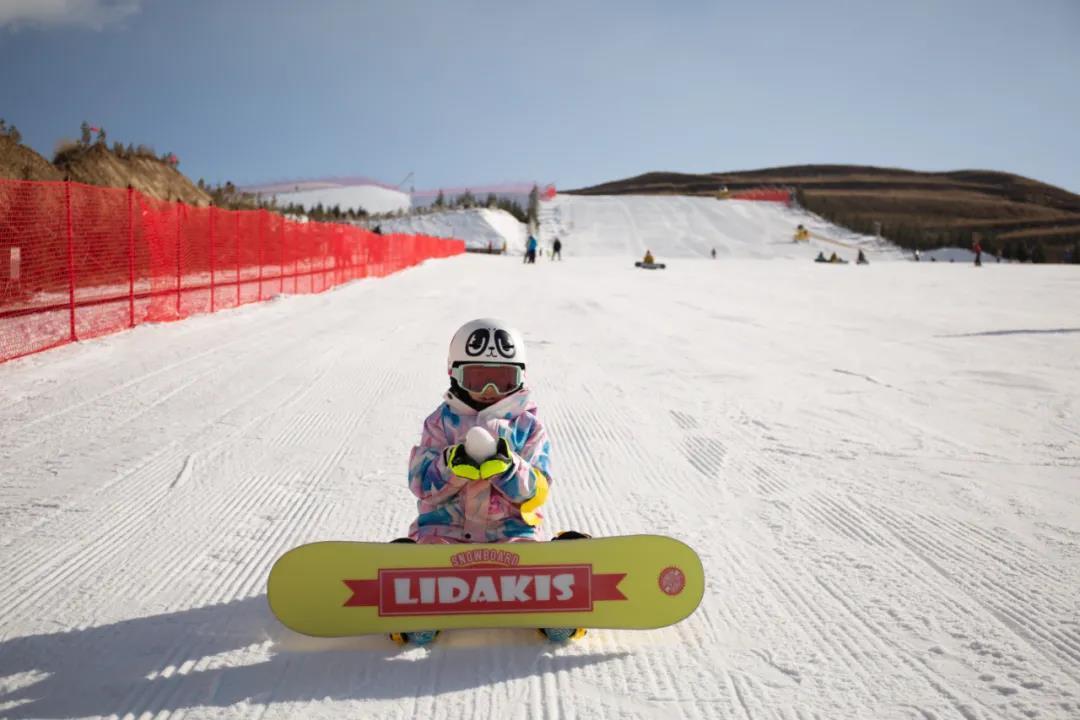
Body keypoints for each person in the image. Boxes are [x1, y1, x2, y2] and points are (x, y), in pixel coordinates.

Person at [397, 318, 582, 645]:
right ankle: (416, 607)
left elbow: (537, 492)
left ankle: (557, 609)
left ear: (520, 377)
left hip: (510, 532)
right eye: (479, 379)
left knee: (532, 562)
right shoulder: (440, 422)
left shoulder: (528, 427)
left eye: (501, 380)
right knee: (429, 557)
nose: (489, 392)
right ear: (455, 374)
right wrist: (451, 467)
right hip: (447, 531)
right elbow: (421, 484)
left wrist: (509, 469)